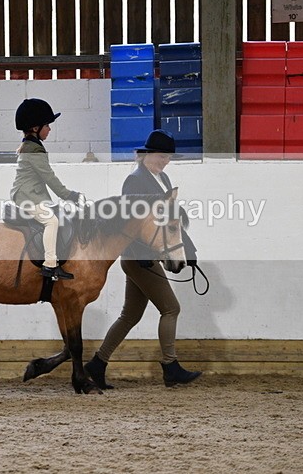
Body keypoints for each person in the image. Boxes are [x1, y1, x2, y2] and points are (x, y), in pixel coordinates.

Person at [84, 129, 202, 388]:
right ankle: (170, 367)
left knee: (129, 316)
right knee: (171, 308)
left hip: (150, 257)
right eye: (161, 156)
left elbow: (171, 221)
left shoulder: (164, 179)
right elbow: (128, 223)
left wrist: (188, 251)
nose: (165, 161)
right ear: (147, 154)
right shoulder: (134, 181)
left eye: (168, 157)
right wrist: (144, 256)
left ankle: (97, 364)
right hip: (140, 259)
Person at [10, 98, 82, 281]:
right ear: (35, 128)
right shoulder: (34, 151)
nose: (49, 129)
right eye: (47, 125)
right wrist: (68, 195)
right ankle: (50, 265)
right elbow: (49, 177)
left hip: (32, 194)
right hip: (27, 197)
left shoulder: (32, 146)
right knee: (52, 222)